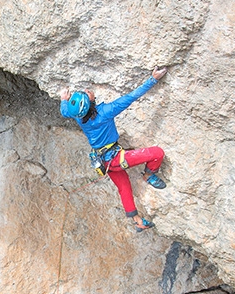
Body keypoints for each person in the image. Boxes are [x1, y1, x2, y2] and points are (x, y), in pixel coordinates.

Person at [60, 67, 168, 232]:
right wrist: (153, 79)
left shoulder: (79, 116)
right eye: (86, 94)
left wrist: (64, 99)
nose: (87, 90)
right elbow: (131, 97)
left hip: (103, 162)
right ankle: (148, 175)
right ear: (89, 104)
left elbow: (65, 111)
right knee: (157, 153)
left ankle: (138, 221)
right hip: (117, 158)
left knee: (124, 188)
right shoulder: (105, 112)